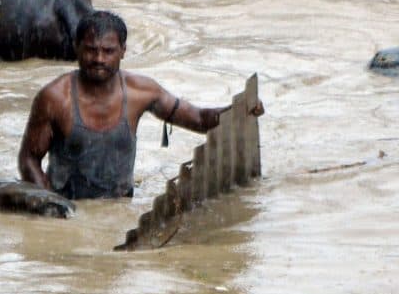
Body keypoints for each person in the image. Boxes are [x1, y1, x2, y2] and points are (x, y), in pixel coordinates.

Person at [17, 12, 255, 200]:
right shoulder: (54, 98)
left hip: (120, 205)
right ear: (76, 48)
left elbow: (200, 119)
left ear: (123, 51)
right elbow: (28, 159)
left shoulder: (141, 91)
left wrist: (241, 110)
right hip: (70, 205)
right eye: (91, 50)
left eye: (108, 51)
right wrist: (50, 204)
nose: (99, 59)